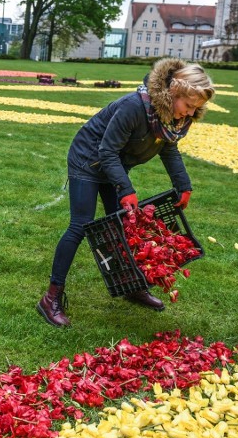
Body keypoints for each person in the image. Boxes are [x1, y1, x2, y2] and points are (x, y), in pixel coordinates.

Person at [37, 57, 215, 327]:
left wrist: (183, 185)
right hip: (88, 160)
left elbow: (168, 148)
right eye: (188, 106)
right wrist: (125, 189)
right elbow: (106, 151)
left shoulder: (169, 119)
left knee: (121, 227)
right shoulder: (134, 107)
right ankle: (50, 298)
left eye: (195, 109)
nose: (190, 113)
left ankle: (131, 286)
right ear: (172, 93)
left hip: (113, 164)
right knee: (81, 225)